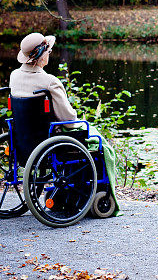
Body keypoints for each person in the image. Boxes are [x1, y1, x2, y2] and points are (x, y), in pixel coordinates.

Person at [10, 32, 120, 216]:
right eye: (48, 52)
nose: (50, 54)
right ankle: (92, 192)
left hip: (23, 138)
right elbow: (68, 118)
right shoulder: (49, 81)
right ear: (41, 56)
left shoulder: (14, 76)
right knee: (98, 142)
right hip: (50, 141)